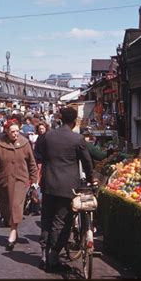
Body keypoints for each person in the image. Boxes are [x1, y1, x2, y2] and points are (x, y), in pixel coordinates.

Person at [38, 107, 94, 272]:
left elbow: (40, 153)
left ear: (61, 119)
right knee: (61, 221)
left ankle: (43, 254)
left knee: (47, 219)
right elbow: (87, 163)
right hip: (68, 186)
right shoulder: (77, 139)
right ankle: (54, 257)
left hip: (48, 183)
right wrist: (91, 179)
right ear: (75, 121)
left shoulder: (47, 136)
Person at [0, 119, 38, 251]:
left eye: (17, 131)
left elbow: (32, 163)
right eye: (12, 131)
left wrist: (34, 180)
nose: (15, 134)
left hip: (21, 180)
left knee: (16, 205)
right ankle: (13, 227)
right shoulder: (0, 144)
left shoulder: (25, 143)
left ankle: (12, 233)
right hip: (4, 180)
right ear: (7, 132)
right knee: (7, 208)